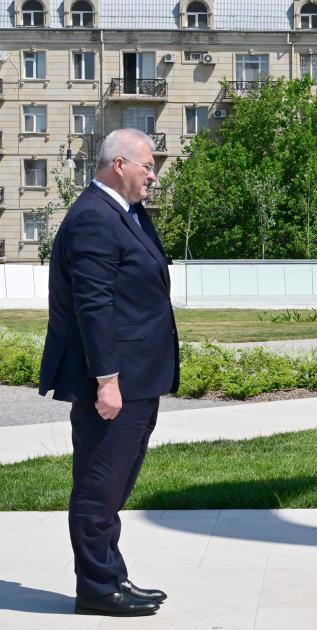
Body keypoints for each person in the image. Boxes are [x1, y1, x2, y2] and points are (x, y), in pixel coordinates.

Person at [39, 128, 180, 616]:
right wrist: (107, 380)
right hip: (115, 380)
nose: (153, 174)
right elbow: (93, 306)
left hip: (141, 376)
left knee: (116, 481)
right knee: (100, 484)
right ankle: (97, 588)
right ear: (119, 164)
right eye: (147, 165)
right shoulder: (93, 219)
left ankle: (112, 574)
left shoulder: (128, 213)